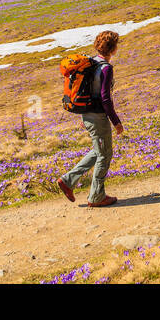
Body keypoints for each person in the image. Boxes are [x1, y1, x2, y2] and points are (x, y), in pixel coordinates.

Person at [56, 30, 124, 207]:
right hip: (98, 117)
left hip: (88, 114)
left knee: (99, 151)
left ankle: (68, 180)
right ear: (114, 49)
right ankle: (96, 196)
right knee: (104, 155)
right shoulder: (106, 68)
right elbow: (105, 98)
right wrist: (116, 122)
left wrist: (85, 115)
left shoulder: (91, 63)